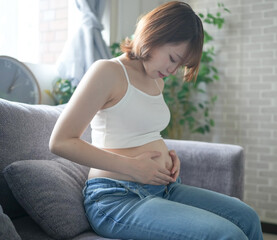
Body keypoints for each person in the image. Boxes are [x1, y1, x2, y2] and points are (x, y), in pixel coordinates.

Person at [49, 1, 263, 239]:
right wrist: (133, 167)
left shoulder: (156, 81)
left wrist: (167, 156)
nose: (173, 70)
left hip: (163, 188)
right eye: (173, 58)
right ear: (155, 34)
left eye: (179, 65)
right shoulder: (107, 72)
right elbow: (60, 141)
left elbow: (140, 131)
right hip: (117, 197)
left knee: (247, 218)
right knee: (227, 234)